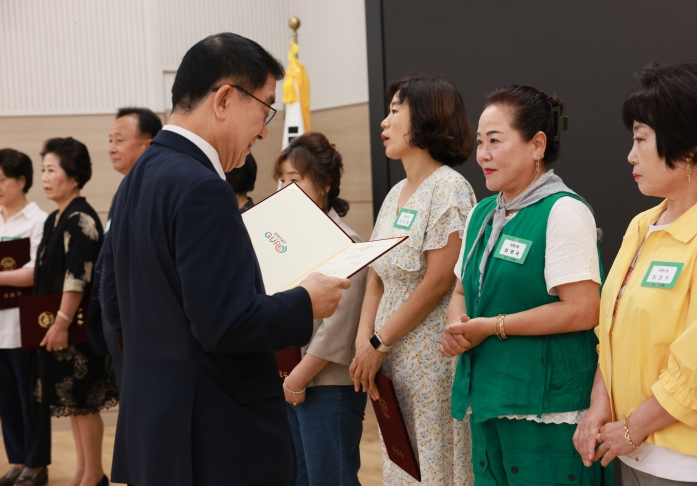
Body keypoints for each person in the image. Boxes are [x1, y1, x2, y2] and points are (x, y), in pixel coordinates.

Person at [101, 33, 350, 486]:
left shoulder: (137, 179)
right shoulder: (203, 188)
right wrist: (304, 300)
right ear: (224, 99)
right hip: (214, 436)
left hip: (156, 429)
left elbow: (113, 303)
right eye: (265, 109)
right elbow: (225, 324)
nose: (264, 129)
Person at [439, 85, 604, 485]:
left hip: (545, 407)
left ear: (537, 145)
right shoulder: (482, 213)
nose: (482, 154)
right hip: (488, 398)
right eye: (480, 142)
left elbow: (583, 308)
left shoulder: (563, 211)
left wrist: (492, 326)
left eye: (495, 141)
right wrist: (458, 325)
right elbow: (461, 290)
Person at [574, 62, 697, 485]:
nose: (630, 155)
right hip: (631, 451)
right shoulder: (643, 224)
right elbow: (613, 330)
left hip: (689, 463)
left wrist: (633, 428)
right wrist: (600, 405)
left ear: (689, 144)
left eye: (641, 140)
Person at [349, 76, 476, 485]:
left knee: (435, 464)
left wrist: (379, 341)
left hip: (430, 361)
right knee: (401, 463)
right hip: (388, 358)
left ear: (424, 118)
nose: (384, 122)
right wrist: (363, 339)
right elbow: (376, 272)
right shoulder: (395, 192)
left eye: (395, 110)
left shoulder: (450, 188)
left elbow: (439, 281)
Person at [274, 132, 369, 486]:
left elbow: (338, 329)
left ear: (325, 183)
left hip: (327, 384)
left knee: (332, 479)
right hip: (290, 379)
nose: (284, 189)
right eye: (281, 180)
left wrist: (297, 377)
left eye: (294, 181)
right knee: (297, 478)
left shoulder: (347, 242)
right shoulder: (286, 240)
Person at [32, 137, 118, 486]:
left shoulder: (80, 218)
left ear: (73, 175)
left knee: (84, 403)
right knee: (74, 405)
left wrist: (61, 322)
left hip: (78, 328)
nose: (45, 177)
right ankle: (84, 473)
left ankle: (93, 476)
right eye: (43, 170)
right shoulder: (57, 217)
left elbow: (77, 276)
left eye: (52, 170)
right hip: (62, 327)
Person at [87, 106, 162, 389]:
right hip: (114, 319)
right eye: (110, 140)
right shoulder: (125, 189)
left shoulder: (152, 189)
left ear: (148, 144)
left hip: (137, 322)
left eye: (119, 139)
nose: (111, 148)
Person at [0, 149, 49, 486]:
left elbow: (33, 273)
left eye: (1, 180)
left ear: (21, 180)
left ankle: (37, 465)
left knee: (32, 401)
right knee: (5, 402)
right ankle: (17, 460)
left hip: (24, 327)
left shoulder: (37, 221)